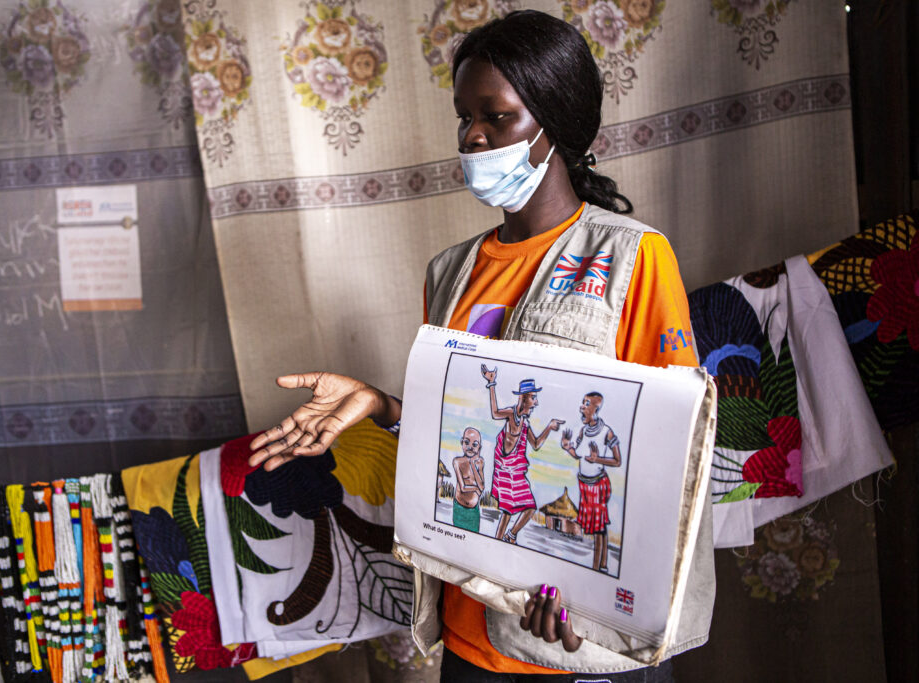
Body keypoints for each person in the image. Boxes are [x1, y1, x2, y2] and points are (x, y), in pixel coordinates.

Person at [248, 10, 711, 682]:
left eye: (496, 117)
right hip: (469, 637)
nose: (472, 136)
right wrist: (382, 403)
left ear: (552, 121)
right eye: (465, 117)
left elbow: (675, 459)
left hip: (573, 651)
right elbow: (460, 434)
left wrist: (593, 592)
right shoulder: (450, 272)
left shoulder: (632, 258)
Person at [480, 369, 564, 543]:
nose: (536, 403)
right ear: (523, 398)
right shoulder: (511, 415)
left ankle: (507, 536)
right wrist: (492, 384)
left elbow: (536, 444)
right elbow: (495, 413)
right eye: (533, 398)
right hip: (505, 471)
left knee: (521, 509)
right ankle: (503, 539)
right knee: (513, 510)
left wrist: (549, 427)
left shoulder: (525, 423)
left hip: (516, 474)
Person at [561, 392, 621, 572]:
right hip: (584, 484)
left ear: (596, 409)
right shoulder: (583, 431)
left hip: (597, 483)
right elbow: (577, 454)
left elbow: (617, 461)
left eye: (586, 404)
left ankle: (598, 565)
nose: (582, 407)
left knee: (599, 527)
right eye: (583, 403)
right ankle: (601, 564)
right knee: (595, 526)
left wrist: (598, 460)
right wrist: (567, 447)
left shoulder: (606, 432)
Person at [452, 427, 485, 533]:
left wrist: (472, 463)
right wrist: (476, 488)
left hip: (473, 511)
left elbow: (482, 486)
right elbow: (463, 487)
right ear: (462, 443)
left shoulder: (480, 462)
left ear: (479, 448)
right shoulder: (458, 462)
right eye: (466, 442)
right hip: (459, 509)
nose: (470, 447)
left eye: (474, 445)